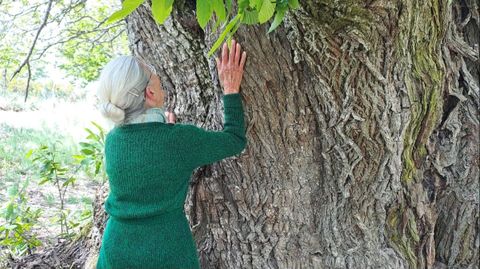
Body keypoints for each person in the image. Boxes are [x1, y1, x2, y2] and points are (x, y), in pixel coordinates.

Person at [95, 39, 247, 269]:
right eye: (153, 73)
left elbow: (146, 156)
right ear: (150, 92)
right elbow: (234, 140)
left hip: (117, 249)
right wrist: (231, 90)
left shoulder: (113, 141)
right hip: (167, 250)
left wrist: (165, 132)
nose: (159, 77)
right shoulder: (179, 140)